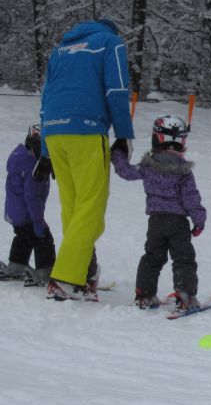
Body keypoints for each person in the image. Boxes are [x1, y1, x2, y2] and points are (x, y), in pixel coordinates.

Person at [37, 17, 135, 302]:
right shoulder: (110, 43)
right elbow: (116, 90)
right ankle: (66, 277)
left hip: (54, 130)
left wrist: (44, 149)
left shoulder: (61, 50)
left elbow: (46, 98)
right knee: (91, 205)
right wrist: (124, 134)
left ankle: (82, 271)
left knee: (73, 206)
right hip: (86, 129)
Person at [110, 114, 206, 311]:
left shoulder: (147, 166)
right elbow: (191, 198)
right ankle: (186, 296)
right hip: (178, 223)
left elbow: (126, 172)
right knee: (183, 259)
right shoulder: (183, 171)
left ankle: (144, 296)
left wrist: (118, 153)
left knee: (152, 257)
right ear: (181, 141)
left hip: (156, 222)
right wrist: (199, 220)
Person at [2, 125, 56, 284]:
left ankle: (16, 266)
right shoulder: (34, 166)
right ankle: (45, 272)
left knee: (23, 237)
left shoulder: (21, 158)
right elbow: (32, 197)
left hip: (15, 213)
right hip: (27, 215)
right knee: (43, 239)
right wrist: (38, 221)